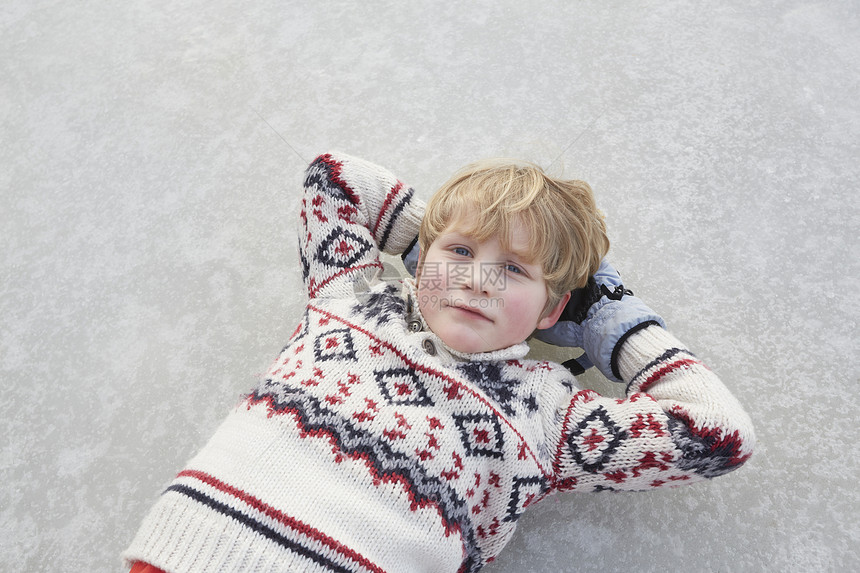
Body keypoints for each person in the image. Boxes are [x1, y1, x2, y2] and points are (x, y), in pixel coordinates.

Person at [123, 153, 755, 573]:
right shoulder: (353, 297)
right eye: (459, 250)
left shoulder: (550, 418)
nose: (477, 279)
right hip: (192, 551)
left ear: (553, 308)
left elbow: (720, 435)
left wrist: (608, 320)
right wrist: (452, 233)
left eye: (512, 269)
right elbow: (333, 177)